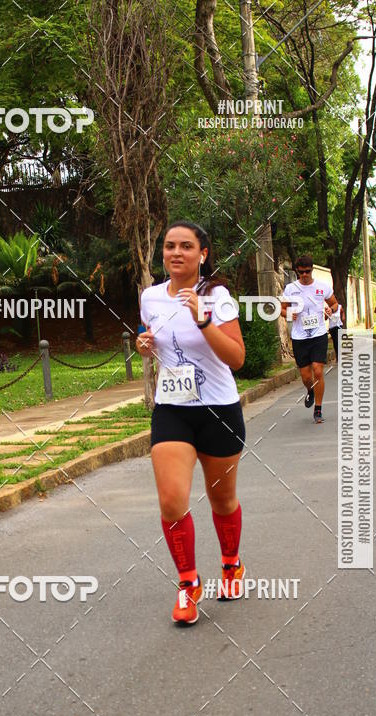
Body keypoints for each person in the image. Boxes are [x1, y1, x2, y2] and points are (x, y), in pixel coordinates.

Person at [136, 221, 246, 625]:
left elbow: (236, 358)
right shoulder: (150, 297)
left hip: (219, 409)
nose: (176, 252)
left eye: (186, 246)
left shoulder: (219, 298)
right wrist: (143, 345)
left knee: (222, 500)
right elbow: (152, 340)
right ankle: (188, 584)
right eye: (169, 246)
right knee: (171, 500)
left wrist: (204, 321)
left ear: (203, 254)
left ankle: (232, 565)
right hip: (173, 409)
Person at [280, 255, 339, 424]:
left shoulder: (323, 287)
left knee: (318, 370)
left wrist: (330, 310)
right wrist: (290, 313)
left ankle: (318, 409)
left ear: (312, 270)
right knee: (306, 376)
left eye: (307, 271)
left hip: (319, 334)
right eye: (301, 272)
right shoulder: (291, 289)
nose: (304, 275)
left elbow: (334, 304)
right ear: (297, 272)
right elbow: (282, 310)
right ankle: (310, 390)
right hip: (299, 337)